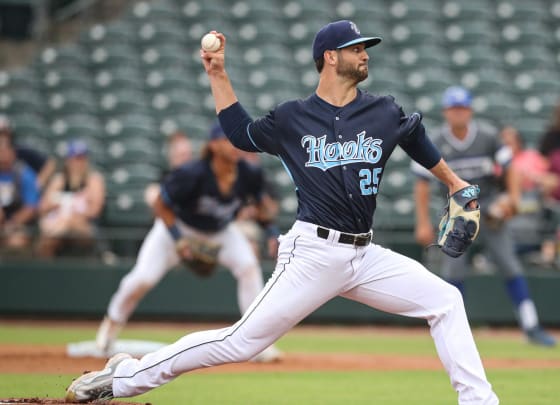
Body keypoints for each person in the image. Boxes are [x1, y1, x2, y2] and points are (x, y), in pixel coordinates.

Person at [67, 21, 500, 405]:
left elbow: (414, 136)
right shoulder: (293, 118)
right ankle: (123, 378)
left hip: (364, 256)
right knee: (240, 342)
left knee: (445, 300)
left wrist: (454, 183)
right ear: (330, 58)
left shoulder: (382, 110)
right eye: (356, 48)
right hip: (312, 253)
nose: (365, 54)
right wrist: (217, 73)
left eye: (365, 48)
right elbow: (239, 133)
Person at [93, 125, 283, 363]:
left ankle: (258, 342)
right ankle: (110, 326)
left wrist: (272, 231)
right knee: (143, 278)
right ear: (213, 145)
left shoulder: (249, 174)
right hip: (177, 227)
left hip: (220, 231)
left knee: (248, 267)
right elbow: (160, 205)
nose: (235, 145)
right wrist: (178, 239)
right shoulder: (193, 173)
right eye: (228, 140)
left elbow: (261, 208)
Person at [413, 86, 556, 347]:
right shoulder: (435, 140)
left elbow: (510, 167)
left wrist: (513, 198)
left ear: (470, 110)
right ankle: (457, 333)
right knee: (453, 273)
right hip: (455, 210)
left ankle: (531, 325)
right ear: (446, 112)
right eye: (454, 109)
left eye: (463, 108)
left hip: (489, 207)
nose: (459, 114)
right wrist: (422, 222)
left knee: (510, 266)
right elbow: (421, 183)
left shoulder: (488, 136)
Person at [35, 140, 106, 257]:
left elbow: (95, 211)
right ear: (68, 161)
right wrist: (61, 204)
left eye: (81, 159)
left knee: (67, 223)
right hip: (58, 226)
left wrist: (72, 211)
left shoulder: (93, 180)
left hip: (85, 227)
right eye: (75, 159)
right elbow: (43, 207)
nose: (78, 163)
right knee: (51, 235)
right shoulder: (60, 180)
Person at [0, 130, 39, 254]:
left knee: (16, 242)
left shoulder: (25, 174)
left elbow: (31, 208)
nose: (2, 154)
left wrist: (10, 224)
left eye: (4, 150)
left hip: (19, 225)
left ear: (13, 152)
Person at [0, 115, 57, 190]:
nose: (2, 138)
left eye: (4, 134)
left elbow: (50, 163)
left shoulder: (21, 151)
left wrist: (38, 182)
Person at [143, 131, 194, 207]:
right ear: (171, 156)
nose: (186, 159)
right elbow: (152, 196)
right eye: (182, 155)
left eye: (188, 154)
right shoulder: (163, 180)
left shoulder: (197, 179)